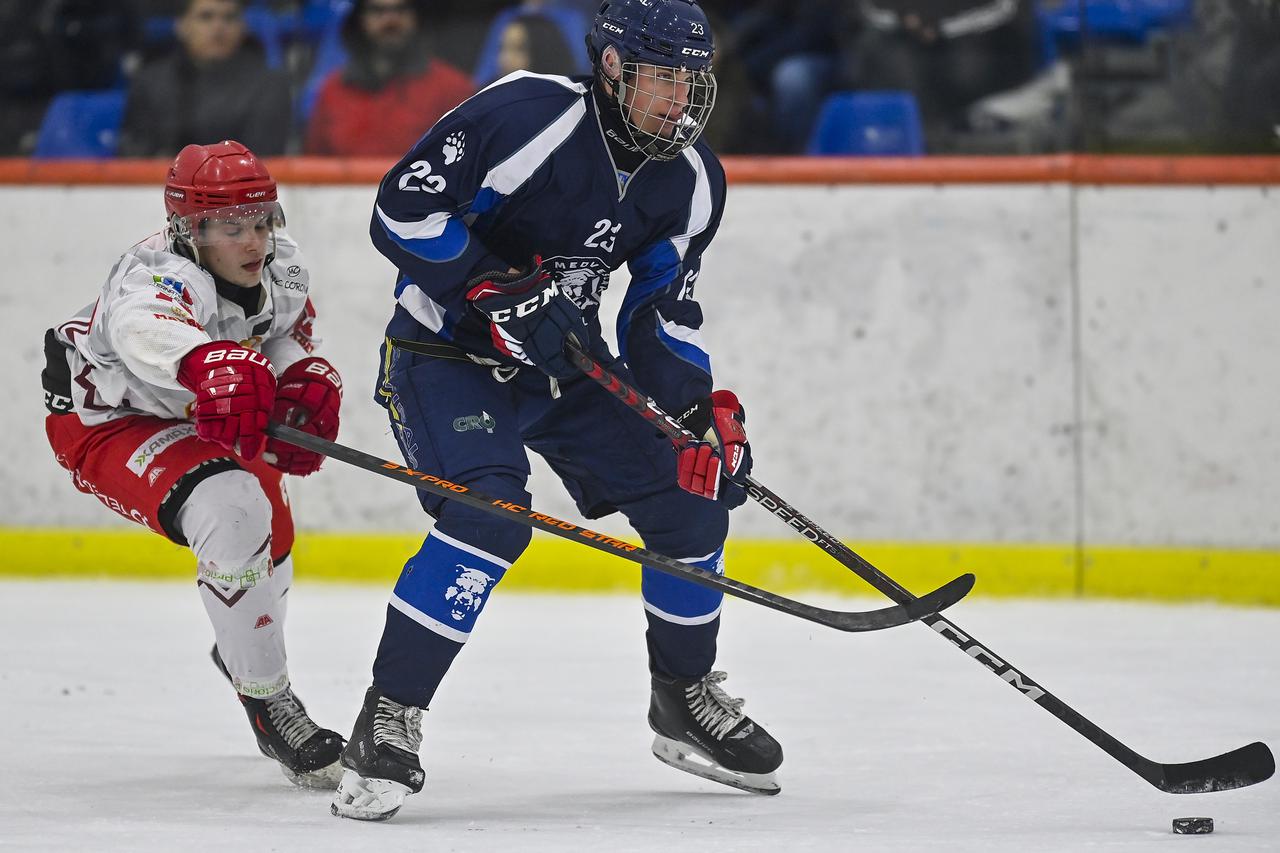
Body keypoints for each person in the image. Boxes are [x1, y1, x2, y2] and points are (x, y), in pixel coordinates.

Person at [329, 0, 783, 822]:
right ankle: (388, 716)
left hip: (560, 364)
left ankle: (682, 697)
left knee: (690, 502)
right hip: (447, 355)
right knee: (491, 513)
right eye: (663, 79)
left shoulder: (690, 180)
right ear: (613, 69)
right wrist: (486, 283)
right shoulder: (528, 111)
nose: (681, 98)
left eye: (692, 80)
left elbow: (658, 317)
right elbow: (402, 209)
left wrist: (699, 410)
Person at [40, 140, 346, 789]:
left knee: (274, 538)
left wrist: (303, 376)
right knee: (233, 507)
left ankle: (241, 644)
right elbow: (142, 330)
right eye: (231, 226)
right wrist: (204, 362)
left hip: (197, 412)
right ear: (190, 230)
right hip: (108, 422)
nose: (254, 240)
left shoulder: (282, 268)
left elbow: (286, 330)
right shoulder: (153, 275)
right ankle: (269, 700)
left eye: (261, 220)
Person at [118, 0, 291, 157]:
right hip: (154, 188)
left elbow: (262, 159)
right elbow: (133, 152)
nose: (218, 27)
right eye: (206, 17)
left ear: (243, 27)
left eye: (229, 17)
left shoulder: (269, 85)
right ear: (181, 26)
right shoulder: (149, 82)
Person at [303, 0, 475, 157]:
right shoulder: (332, 90)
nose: (390, 20)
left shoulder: (453, 88)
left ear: (417, 17)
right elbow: (313, 163)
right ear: (359, 20)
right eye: (377, 11)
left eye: (401, 10)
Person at [489, 12, 580, 83]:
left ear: (544, 54)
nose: (505, 59)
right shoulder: (488, 98)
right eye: (502, 48)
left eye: (519, 49)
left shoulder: (570, 103)